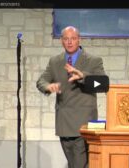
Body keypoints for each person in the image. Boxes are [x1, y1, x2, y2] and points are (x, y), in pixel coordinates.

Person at [36, 26, 106, 168]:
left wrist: (83, 77)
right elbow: (41, 81)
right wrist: (47, 87)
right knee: (74, 164)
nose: (70, 42)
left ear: (79, 40)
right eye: (66, 39)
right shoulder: (55, 61)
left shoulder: (93, 60)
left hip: (84, 123)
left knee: (80, 164)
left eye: (73, 38)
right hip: (64, 123)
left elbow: (103, 84)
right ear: (61, 41)